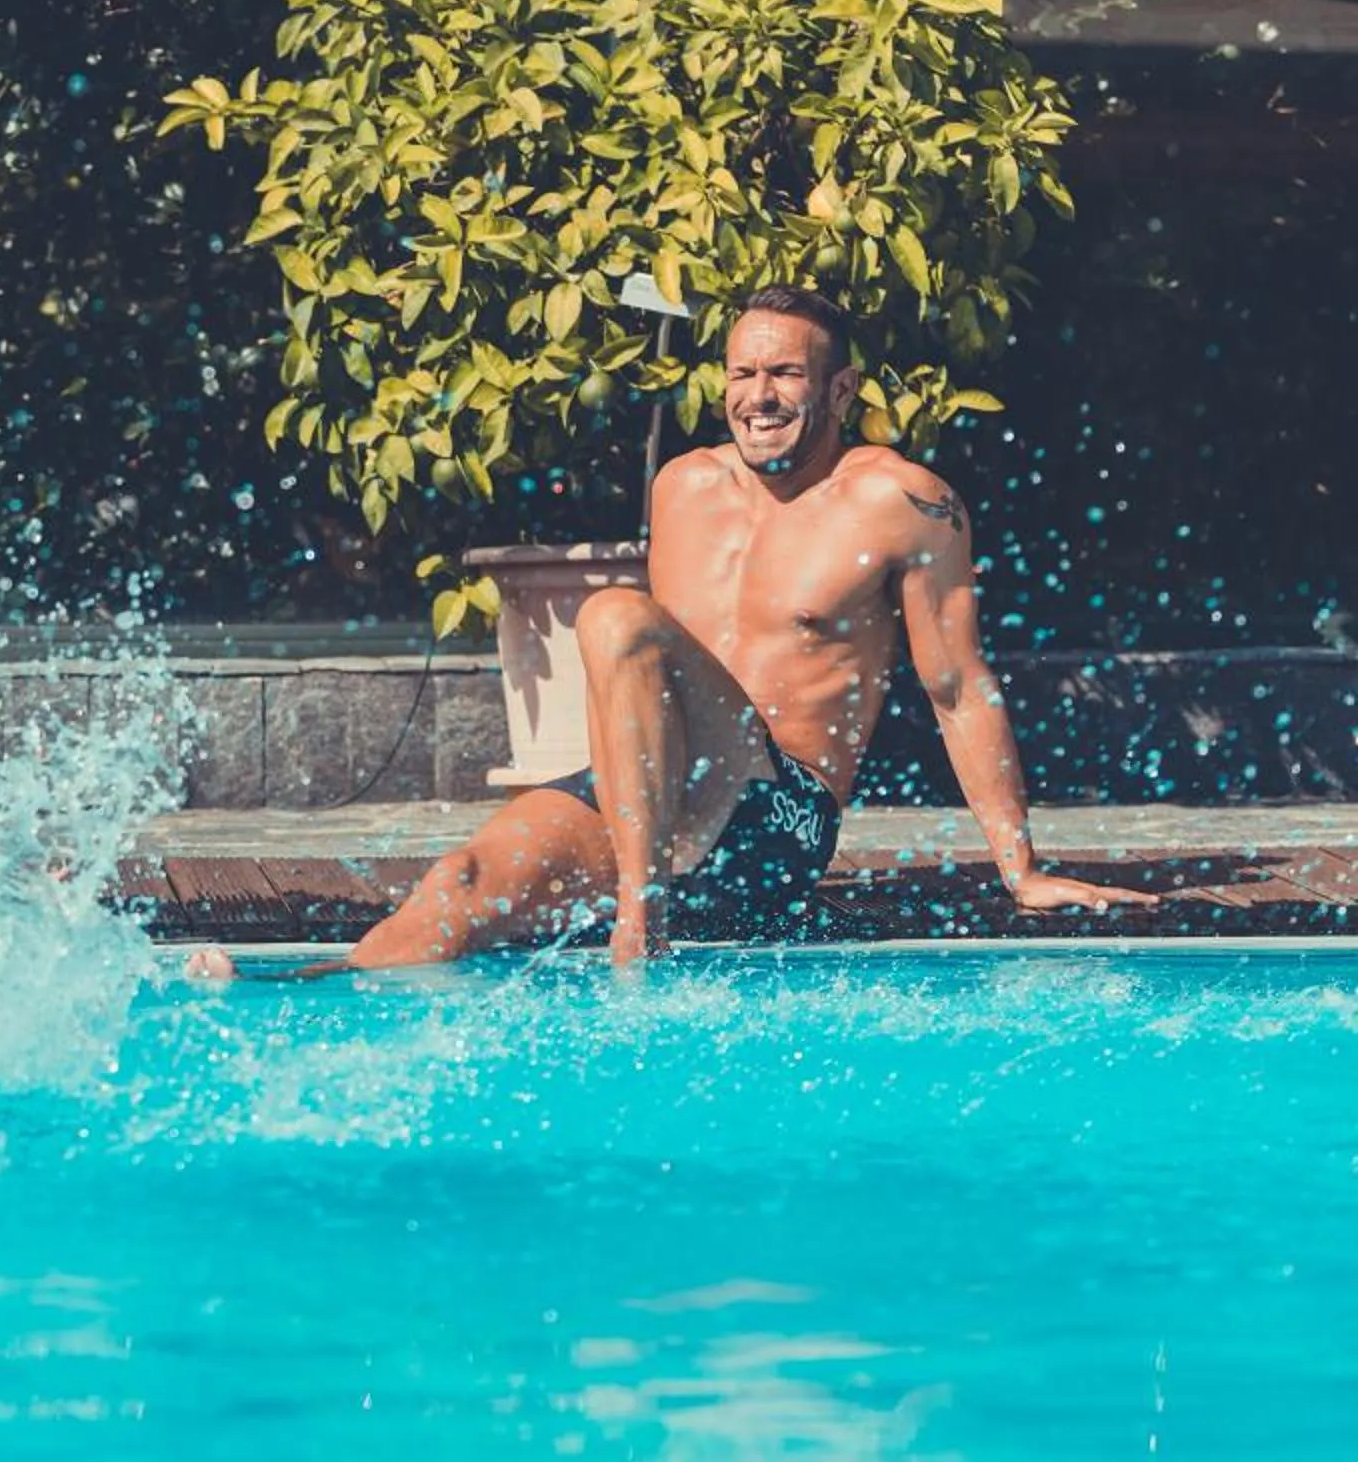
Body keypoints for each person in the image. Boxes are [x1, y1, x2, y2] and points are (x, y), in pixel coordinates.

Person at [197, 283, 1156, 977]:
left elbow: (956, 685)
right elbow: (654, 687)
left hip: (777, 811)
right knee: (459, 885)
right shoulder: (684, 486)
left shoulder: (901, 501)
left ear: (839, 391)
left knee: (616, 615)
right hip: (655, 802)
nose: (758, 395)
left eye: (786, 373)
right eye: (743, 372)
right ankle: (301, 994)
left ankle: (639, 920)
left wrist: (1021, 870)